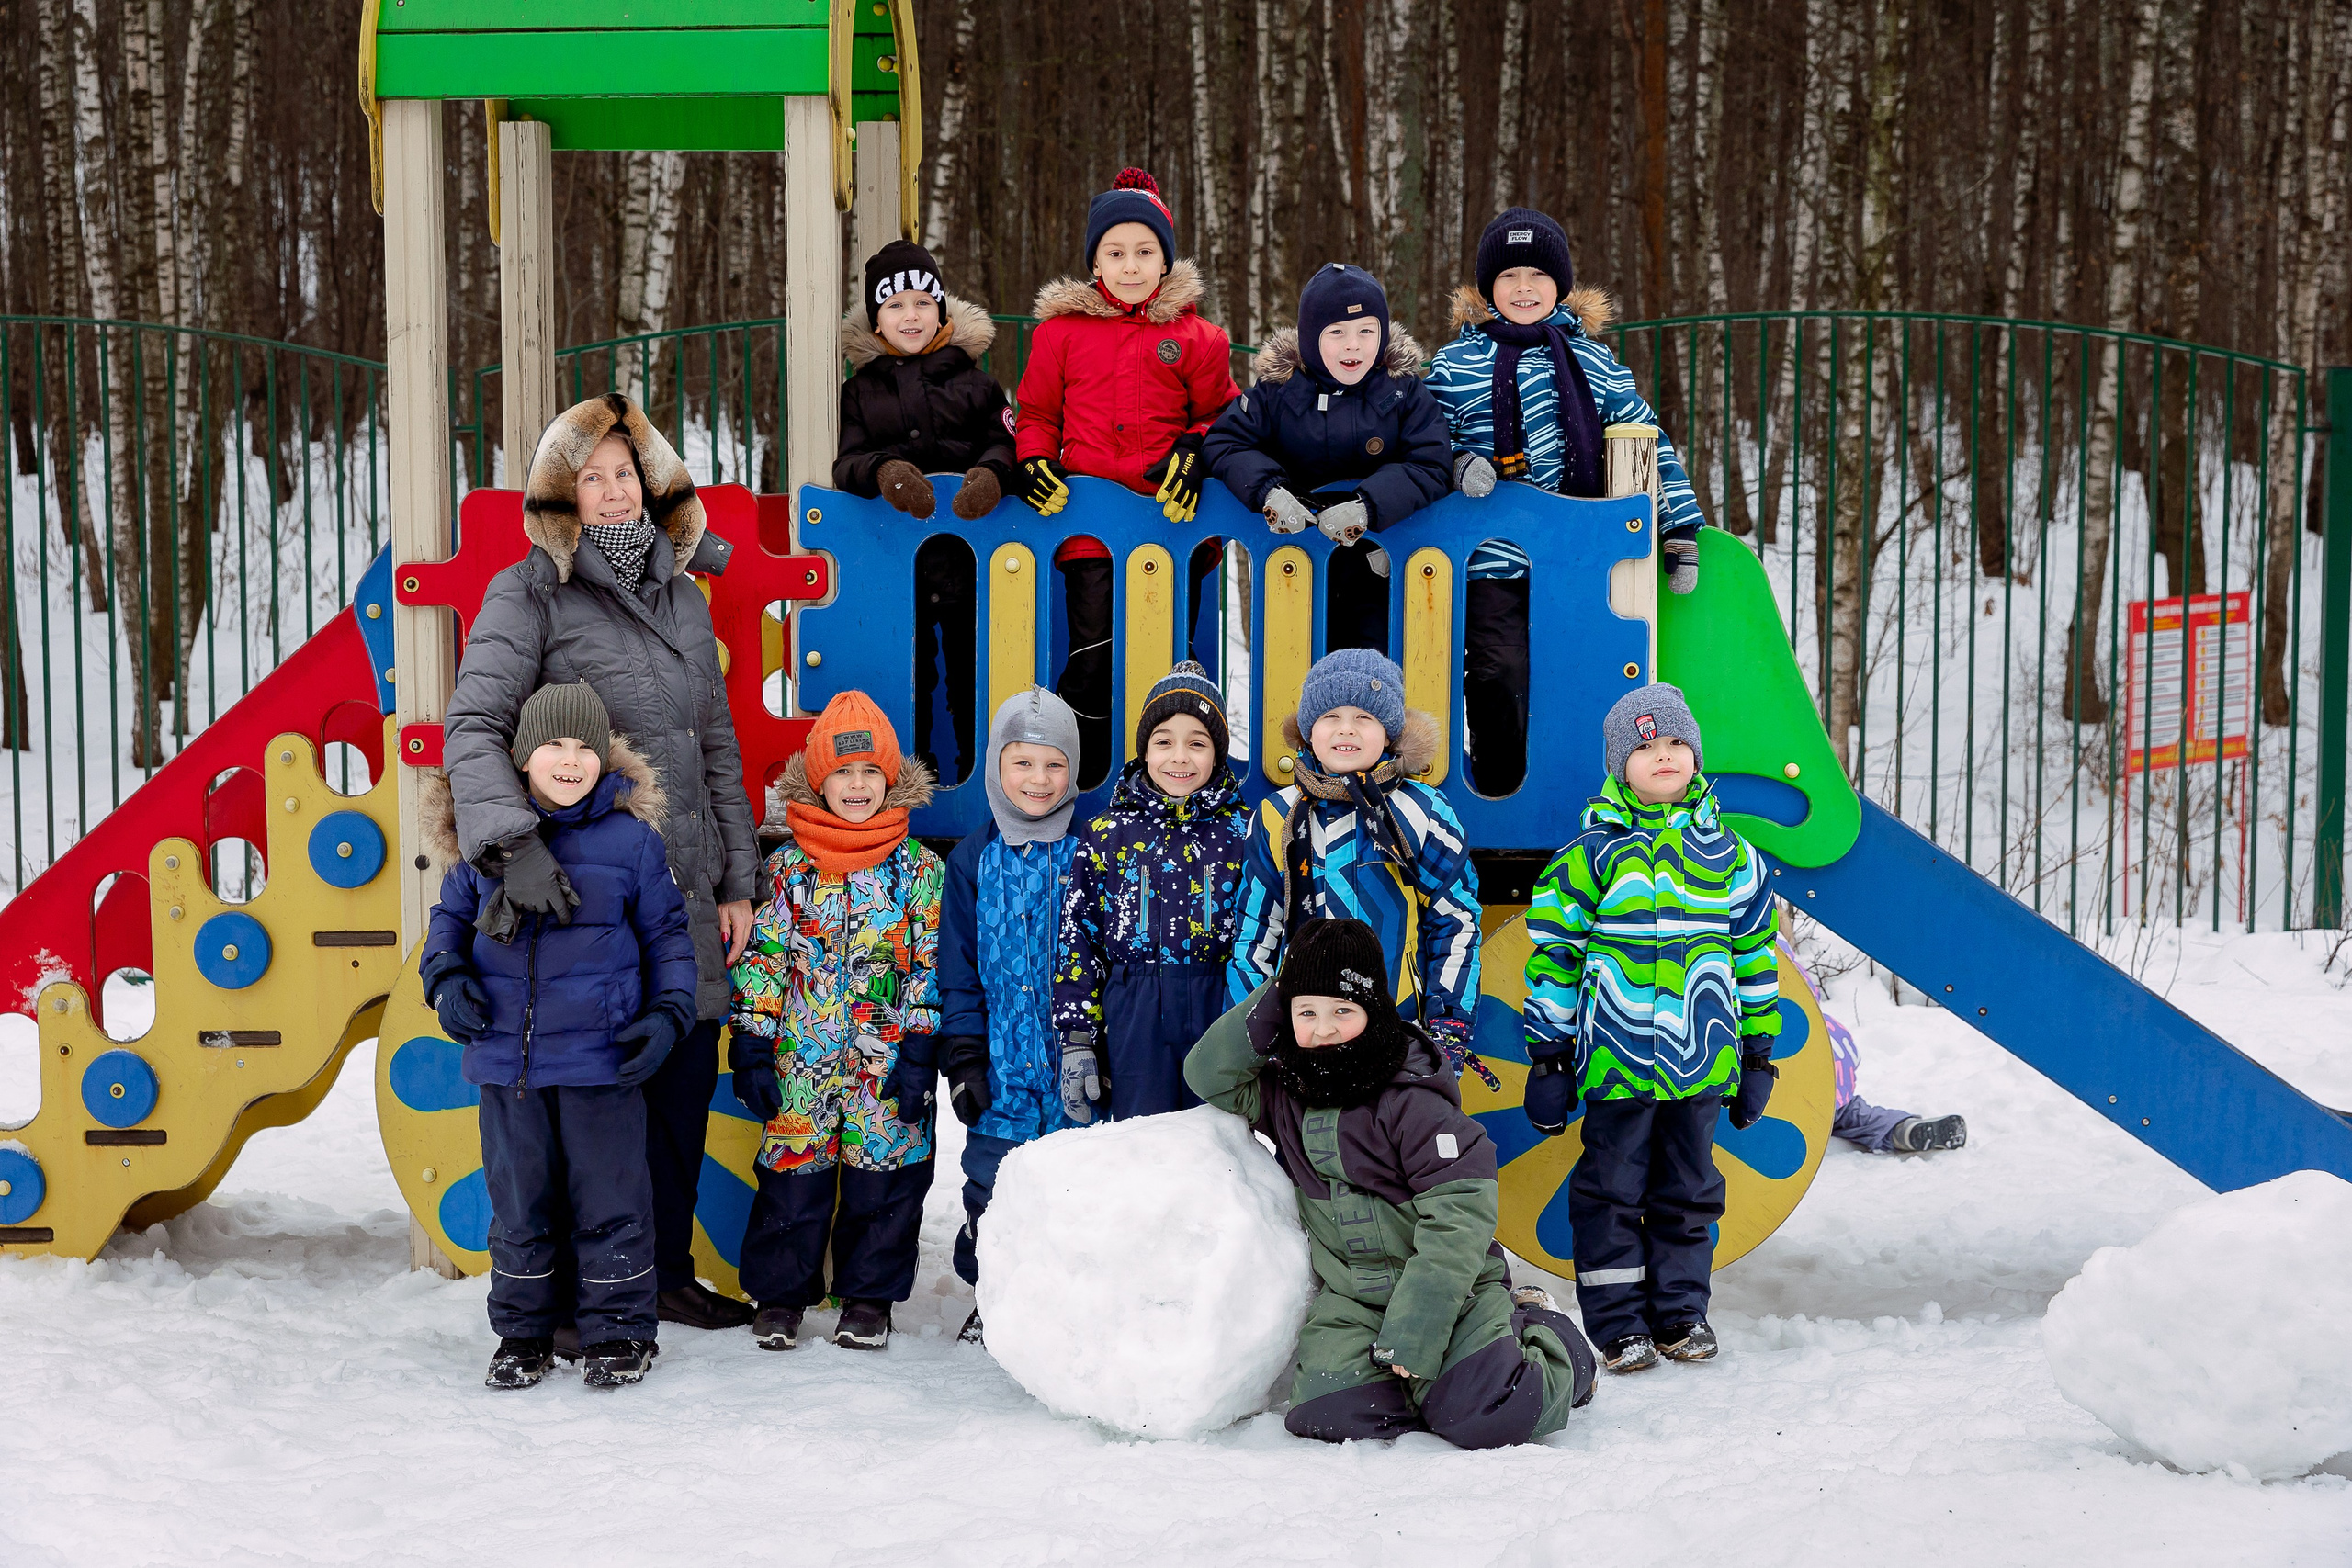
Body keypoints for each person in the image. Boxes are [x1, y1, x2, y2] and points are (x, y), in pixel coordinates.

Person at [442, 394, 759, 1336]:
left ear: (654, 483)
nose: (613, 491)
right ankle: (582, 1294)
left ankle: (658, 1274)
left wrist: (737, 877)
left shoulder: (682, 596)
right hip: (580, 895)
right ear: (559, 496)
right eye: (592, 477)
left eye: (627, 472)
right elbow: (475, 727)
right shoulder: (529, 591)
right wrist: (514, 846)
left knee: (681, 1081)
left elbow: (718, 749)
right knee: (592, 1101)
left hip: (681, 888)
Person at [1185, 917, 1596, 1448]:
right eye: (1305, 1012)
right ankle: (1429, 1386)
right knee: (1328, 1414)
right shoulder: (1285, 1088)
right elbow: (1206, 1075)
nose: (1324, 1028)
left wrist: (1420, 1327)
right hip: (1353, 1299)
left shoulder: (1411, 1095)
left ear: (1372, 1010)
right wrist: (1276, 991)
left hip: (1449, 1289)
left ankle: (1543, 1329)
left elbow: (1460, 1217)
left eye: (1342, 1011)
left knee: (1488, 1412)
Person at [419, 683, 699, 1391]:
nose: (570, 761)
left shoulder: (631, 841)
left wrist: (668, 1012)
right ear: (522, 757)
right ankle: (523, 1333)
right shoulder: (489, 838)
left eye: (585, 747)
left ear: (604, 759)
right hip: (506, 1060)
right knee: (520, 1204)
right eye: (554, 746)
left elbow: (668, 935)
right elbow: (446, 923)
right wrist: (447, 977)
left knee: (613, 1198)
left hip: (601, 1060)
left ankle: (620, 1332)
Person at [1521, 682, 1780, 1375]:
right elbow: (1555, 956)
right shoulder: (1593, 854)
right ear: (1619, 765)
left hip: (1703, 1063)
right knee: (1611, 1189)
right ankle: (1616, 1322)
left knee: (1691, 1189)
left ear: (1694, 755)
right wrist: (1548, 1056)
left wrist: (1759, 1053)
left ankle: (1680, 1310)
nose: (1663, 755)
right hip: (1616, 1060)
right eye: (1645, 746)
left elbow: (1754, 958)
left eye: (1674, 743)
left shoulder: (1733, 857)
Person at [1426, 208, 1710, 795]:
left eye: (1537, 275)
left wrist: (1678, 525)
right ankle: (1501, 794)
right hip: (1490, 560)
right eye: (1507, 277)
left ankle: (1578, 796)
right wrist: (1457, 462)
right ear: (1487, 289)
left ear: (1560, 285)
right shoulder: (1455, 365)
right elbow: (1425, 440)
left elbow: (1644, 437)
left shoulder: (1592, 362)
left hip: (1577, 558)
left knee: (1575, 671)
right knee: (1499, 674)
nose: (1523, 289)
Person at [726, 694, 944, 1353]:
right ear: (818, 779)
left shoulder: (919, 871)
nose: (856, 786)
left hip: (886, 1057)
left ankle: (868, 1297)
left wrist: (920, 1047)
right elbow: (763, 958)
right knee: (794, 1176)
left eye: (870, 773)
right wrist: (753, 1042)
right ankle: (782, 1295)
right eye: (843, 774)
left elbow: (929, 964)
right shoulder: (787, 869)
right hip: (801, 1058)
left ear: (891, 779)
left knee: (886, 1177)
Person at [1014, 168, 1240, 783]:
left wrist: (1196, 450)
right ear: (1095, 261)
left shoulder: (1198, 337)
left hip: (1173, 523)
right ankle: (1085, 782)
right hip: (1089, 531)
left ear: (1164, 262)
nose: (1131, 266)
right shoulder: (1060, 335)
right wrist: (1033, 456)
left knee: (1169, 657)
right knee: (1092, 655)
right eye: (1115, 252)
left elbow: (1223, 414)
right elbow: (1035, 412)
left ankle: (1177, 781)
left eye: (1145, 252)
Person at [1225, 648, 1484, 1082]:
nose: (1346, 730)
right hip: (1305, 1033)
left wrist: (1448, 1024)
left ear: (1390, 734)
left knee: (1392, 1143)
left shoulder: (1423, 813)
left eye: (1364, 718)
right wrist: (1257, 1030)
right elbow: (1256, 930)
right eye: (1330, 717)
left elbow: (1455, 921)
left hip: (1400, 1029)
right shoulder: (1276, 817)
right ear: (1309, 731)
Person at [835, 239, 1019, 781]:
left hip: (975, 566)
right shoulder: (861, 393)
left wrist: (990, 475)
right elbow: (848, 462)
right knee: (911, 675)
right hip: (900, 567)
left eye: (921, 302)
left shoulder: (977, 383)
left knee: (972, 674)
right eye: (894, 306)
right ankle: (915, 779)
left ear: (941, 307)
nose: (909, 316)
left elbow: (1007, 442)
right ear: (876, 320)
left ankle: (979, 777)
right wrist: (882, 472)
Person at [936, 686, 1087, 1343]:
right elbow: (959, 972)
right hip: (1001, 1066)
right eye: (1022, 763)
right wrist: (965, 1055)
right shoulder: (973, 858)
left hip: (1074, 1064)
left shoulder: (1091, 848)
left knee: (1075, 1190)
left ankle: (1068, 1304)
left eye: (1053, 764)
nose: (1038, 779)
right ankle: (993, 1295)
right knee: (991, 1186)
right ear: (997, 765)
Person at [1201, 263, 1452, 655]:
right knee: (1297, 676)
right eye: (1336, 333)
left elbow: (1432, 461)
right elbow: (1225, 442)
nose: (1353, 345)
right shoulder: (1278, 392)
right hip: (1294, 568)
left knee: (1370, 675)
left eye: (1366, 331)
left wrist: (1370, 504)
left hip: (1378, 571)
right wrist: (1269, 490)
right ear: (1309, 337)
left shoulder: (1404, 392)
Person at [1051, 661, 1249, 1122]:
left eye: (1197, 744)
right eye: (1164, 742)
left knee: (1216, 1141)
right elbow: (1079, 939)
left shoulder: (1241, 832)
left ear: (1217, 754)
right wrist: (1078, 1036)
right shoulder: (1107, 834)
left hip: (1216, 1004)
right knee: (1143, 1141)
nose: (1180, 757)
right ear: (1144, 751)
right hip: (1133, 1011)